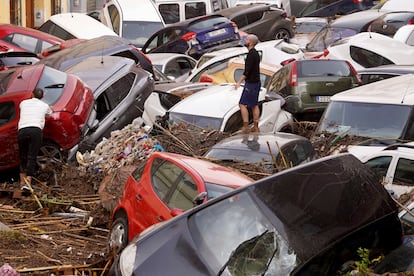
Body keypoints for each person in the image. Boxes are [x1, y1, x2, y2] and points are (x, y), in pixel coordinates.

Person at [18, 88, 52, 189]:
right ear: (42, 97)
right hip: (36, 130)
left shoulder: (23, 103)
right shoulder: (44, 106)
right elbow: (49, 115)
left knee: (22, 155)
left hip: (23, 130)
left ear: (32, 94)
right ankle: (28, 180)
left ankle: (21, 182)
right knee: (32, 156)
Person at [235, 34, 261, 134]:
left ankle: (246, 127)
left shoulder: (251, 55)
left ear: (250, 42)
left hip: (251, 84)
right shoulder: (256, 54)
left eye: (247, 39)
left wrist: (239, 82)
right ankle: (256, 126)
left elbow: (247, 72)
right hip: (257, 82)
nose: (245, 40)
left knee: (242, 104)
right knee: (254, 105)